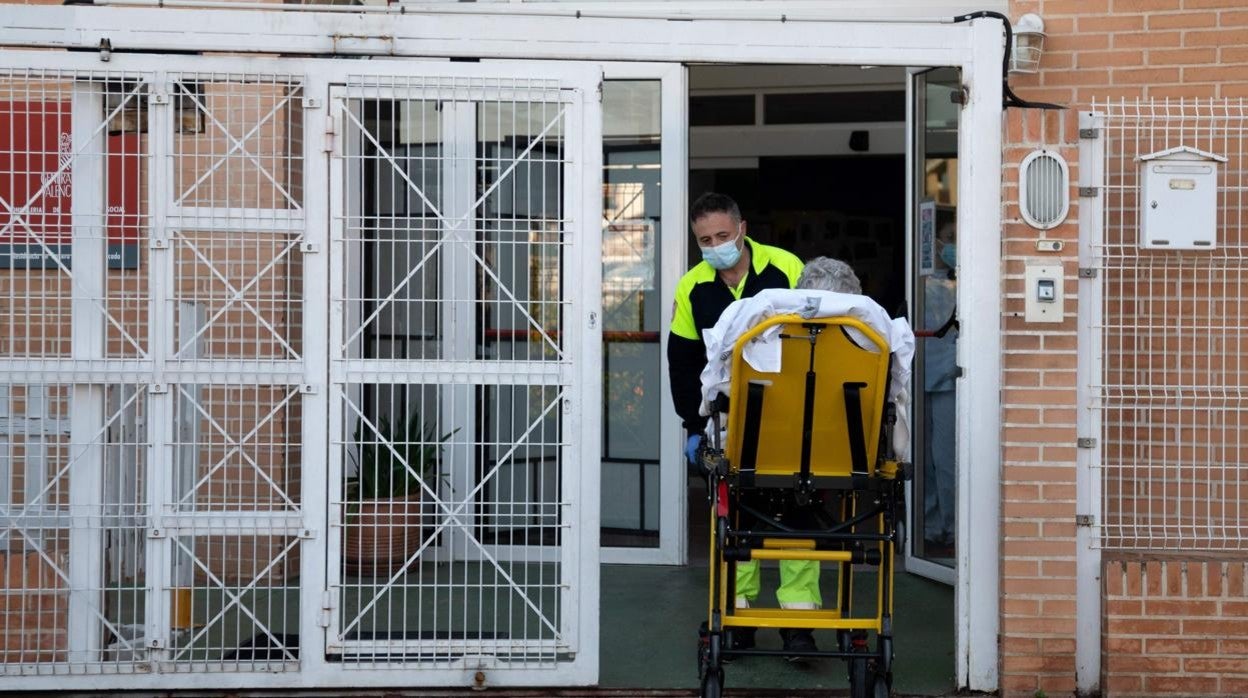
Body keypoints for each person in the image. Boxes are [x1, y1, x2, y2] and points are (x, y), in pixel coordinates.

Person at [695, 257, 915, 659]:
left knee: (740, 520)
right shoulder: (873, 341)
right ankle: (799, 624)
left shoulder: (759, 333)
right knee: (804, 523)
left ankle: (737, 615)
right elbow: (891, 404)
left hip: (756, 458)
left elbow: (716, 394)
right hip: (836, 461)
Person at [667, 192, 805, 654]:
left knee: (794, 515)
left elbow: (816, 342)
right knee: (737, 517)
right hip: (728, 424)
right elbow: (682, 361)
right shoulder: (692, 287)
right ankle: (740, 617)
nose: (715, 246)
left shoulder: (786, 268)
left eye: (723, 236)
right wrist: (692, 426)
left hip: (788, 418)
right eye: (705, 240)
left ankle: (798, 622)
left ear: (742, 228)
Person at [923, 223, 958, 554]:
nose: (952, 246)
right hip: (920, 375)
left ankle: (952, 529)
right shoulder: (923, 279)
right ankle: (930, 527)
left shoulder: (969, 278)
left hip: (950, 377)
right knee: (923, 463)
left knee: (946, 459)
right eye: (948, 239)